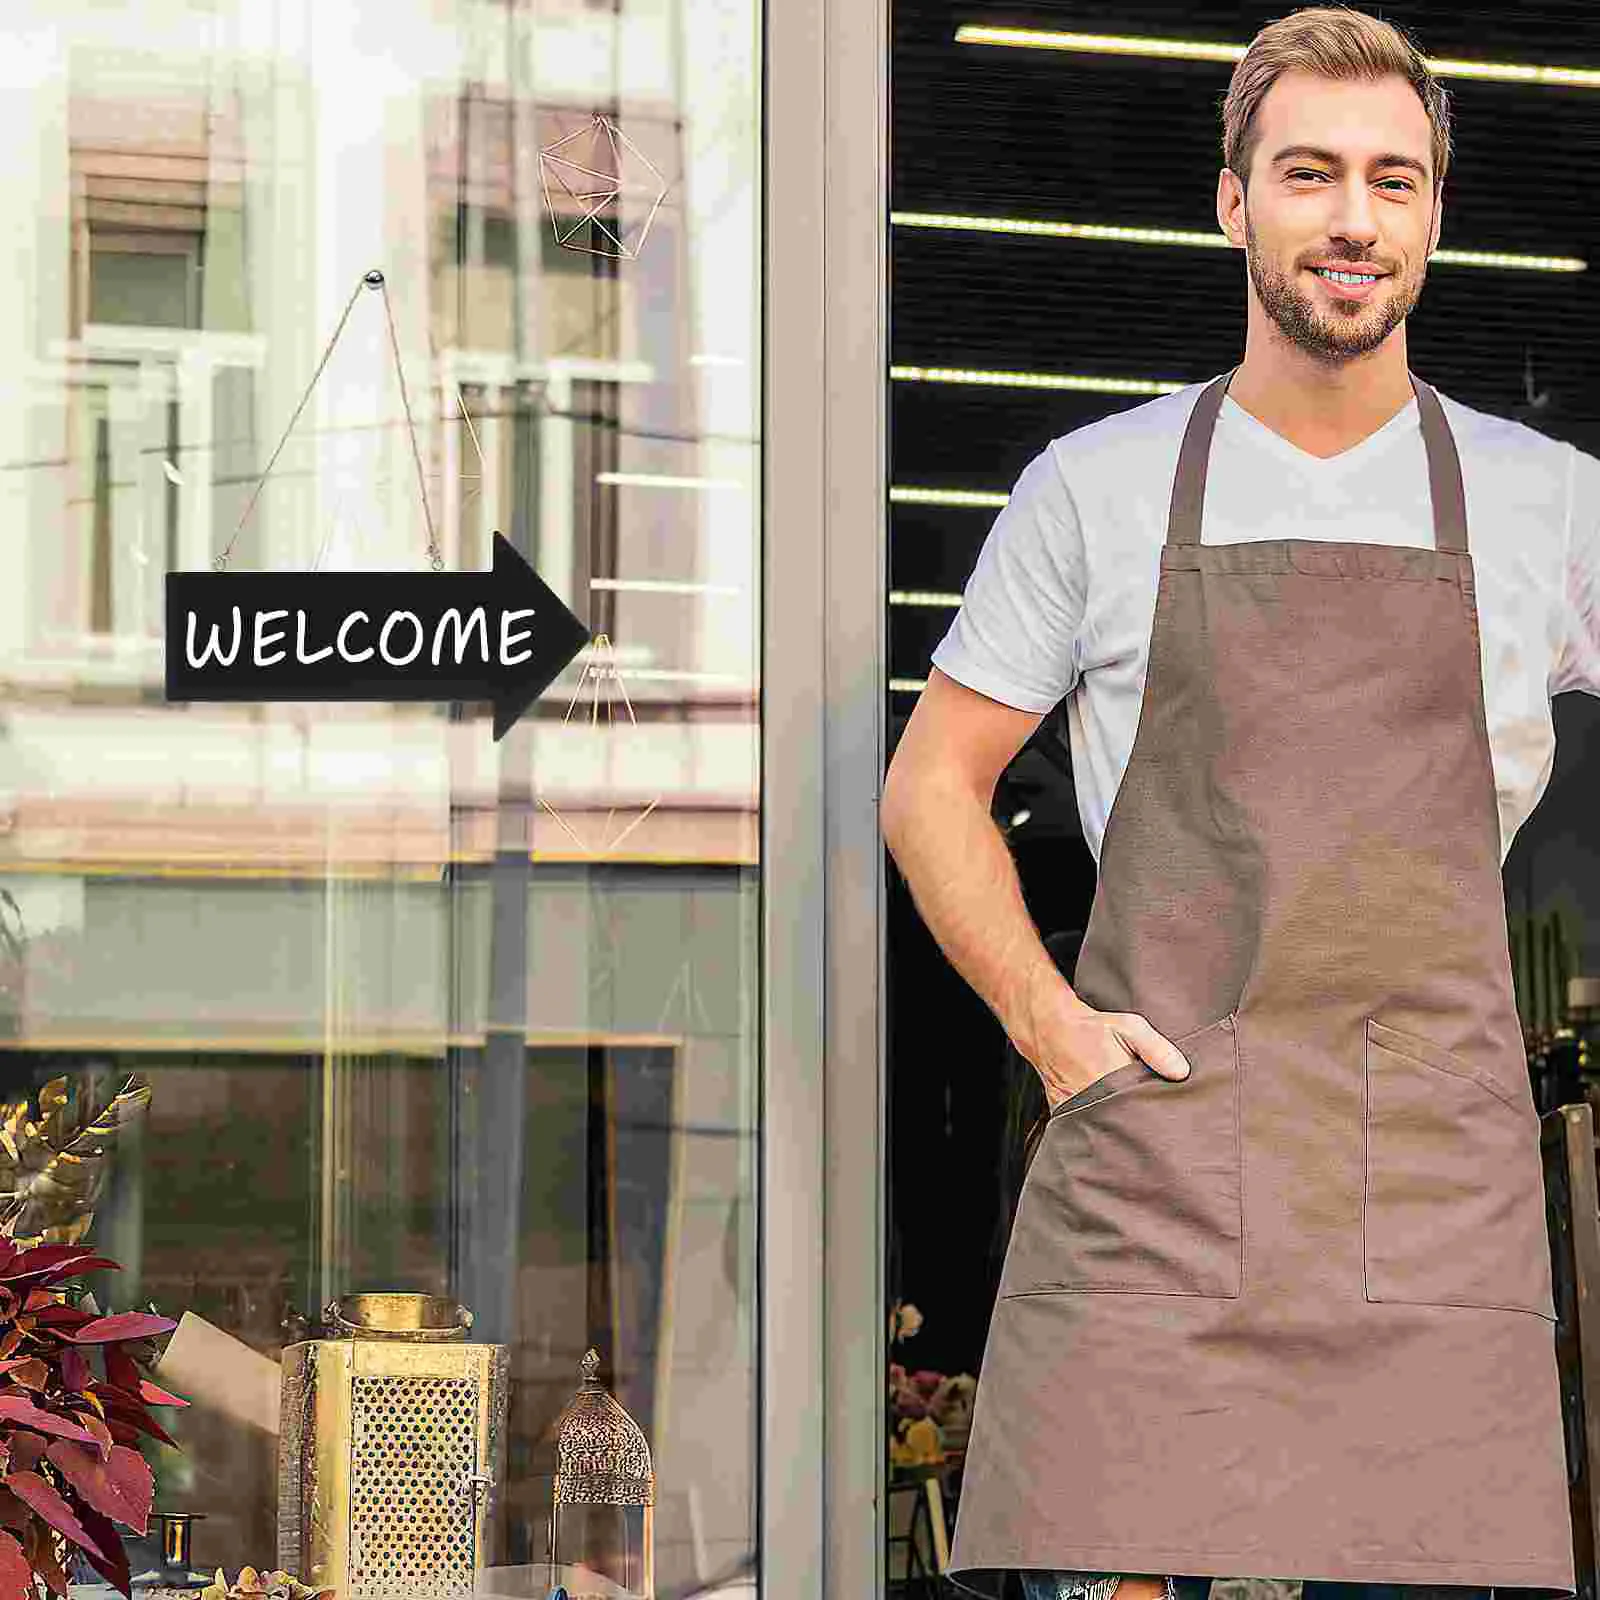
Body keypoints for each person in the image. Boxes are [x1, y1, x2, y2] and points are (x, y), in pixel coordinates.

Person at [879, 7, 1600, 1600]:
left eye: (1393, 182)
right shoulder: (1101, 484)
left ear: (1432, 217)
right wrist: (1052, 1027)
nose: (1353, 218)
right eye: (1310, 174)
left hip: (1428, 1184)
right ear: (1232, 201)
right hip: (1166, 1167)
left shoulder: (1548, 504)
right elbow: (933, 781)